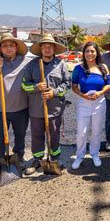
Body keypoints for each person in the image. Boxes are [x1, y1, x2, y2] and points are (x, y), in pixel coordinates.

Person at [0, 33, 30, 185]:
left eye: (11, 45)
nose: (8, 48)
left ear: (16, 47)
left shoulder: (26, 62)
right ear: (0, 48)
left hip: (21, 109)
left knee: (20, 136)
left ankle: (19, 158)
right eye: (5, 45)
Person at [22, 33, 71, 175]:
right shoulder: (32, 65)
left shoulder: (61, 64)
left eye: (50, 47)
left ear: (54, 49)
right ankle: (37, 159)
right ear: (41, 49)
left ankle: (54, 158)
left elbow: (67, 84)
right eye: (45, 47)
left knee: (54, 135)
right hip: (36, 109)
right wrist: (37, 87)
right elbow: (24, 85)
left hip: (54, 109)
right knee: (37, 136)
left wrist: (54, 92)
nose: (48, 49)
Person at [71, 42, 110, 169]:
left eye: (92, 51)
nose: (90, 54)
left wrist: (99, 93)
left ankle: (94, 154)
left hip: (99, 102)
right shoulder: (78, 68)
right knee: (81, 132)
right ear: (84, 53)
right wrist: (83, 95)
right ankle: (79, 156)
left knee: (96, 131)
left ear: (97, 53)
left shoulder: (103, 67)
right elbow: (74, 86)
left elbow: (108, 84)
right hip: (84, 103)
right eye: (87, 51)